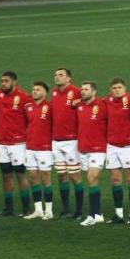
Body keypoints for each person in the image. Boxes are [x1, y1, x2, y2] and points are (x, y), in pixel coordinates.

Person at [0, 71, 32, 217]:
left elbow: (32, 117)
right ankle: (9, 208)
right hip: (2, 144)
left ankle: (26, 208)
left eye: (6, 81)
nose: (3, 83)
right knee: (6, 175)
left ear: (14, 82)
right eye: (2, 81)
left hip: (18, 144)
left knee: (20, 175)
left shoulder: (23, 97)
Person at [51, 68, 84, 219]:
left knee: (75, 176)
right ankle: (65, 209)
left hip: (72, 141)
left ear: (69, 78)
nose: (57, 77)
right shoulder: (54, 93)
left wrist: (82, 101)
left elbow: (91, 99)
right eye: (56, 75)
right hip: (56, 141)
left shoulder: (77, 92)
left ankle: (79, 210)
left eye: (61, 75)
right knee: (61, 175)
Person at [105, 78, 130, 225]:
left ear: (124, 88)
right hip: (112, 146)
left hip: (128, 147)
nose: (117, 90)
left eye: (119, 87)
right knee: (115, 180)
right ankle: (118, 214)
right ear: (111, 90)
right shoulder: (106, 101)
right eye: (114, 88)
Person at [77, 81, 108, 227]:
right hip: (83, 149)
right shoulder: (79, 106)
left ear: (94, 92)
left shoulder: (102, 105)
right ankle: (98, 214)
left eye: (86, 90)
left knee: (92, 176)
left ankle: (92, 215)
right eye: (82, 89)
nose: (83, 92)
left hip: (98, 149)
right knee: (91, 181)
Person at [23, 82, 54, 220]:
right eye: (33, 89)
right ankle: (38, 210)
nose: (34, 91)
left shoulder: (50, 107)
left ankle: (49, 210)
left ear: (45, 93)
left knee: (45, 179)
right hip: (30, 148)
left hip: (45, 149)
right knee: (33, 178)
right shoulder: (27, 107)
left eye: (38, 89)